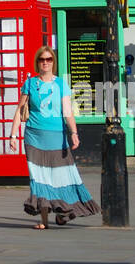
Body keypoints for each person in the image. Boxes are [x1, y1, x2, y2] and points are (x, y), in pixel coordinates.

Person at [18, 46, 99, 228]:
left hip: (57, 136)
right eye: (42, 59)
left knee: (62, 177)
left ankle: (65, 212)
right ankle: (44, 221)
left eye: (49, 59)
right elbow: (19, 110)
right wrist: (13, 135)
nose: (45, 62)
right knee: (39, 178)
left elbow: (67, 111)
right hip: (33, 136)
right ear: (37, 62)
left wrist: (74, 133)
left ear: (53, 62)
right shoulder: (30, 83)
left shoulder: (61, 84)